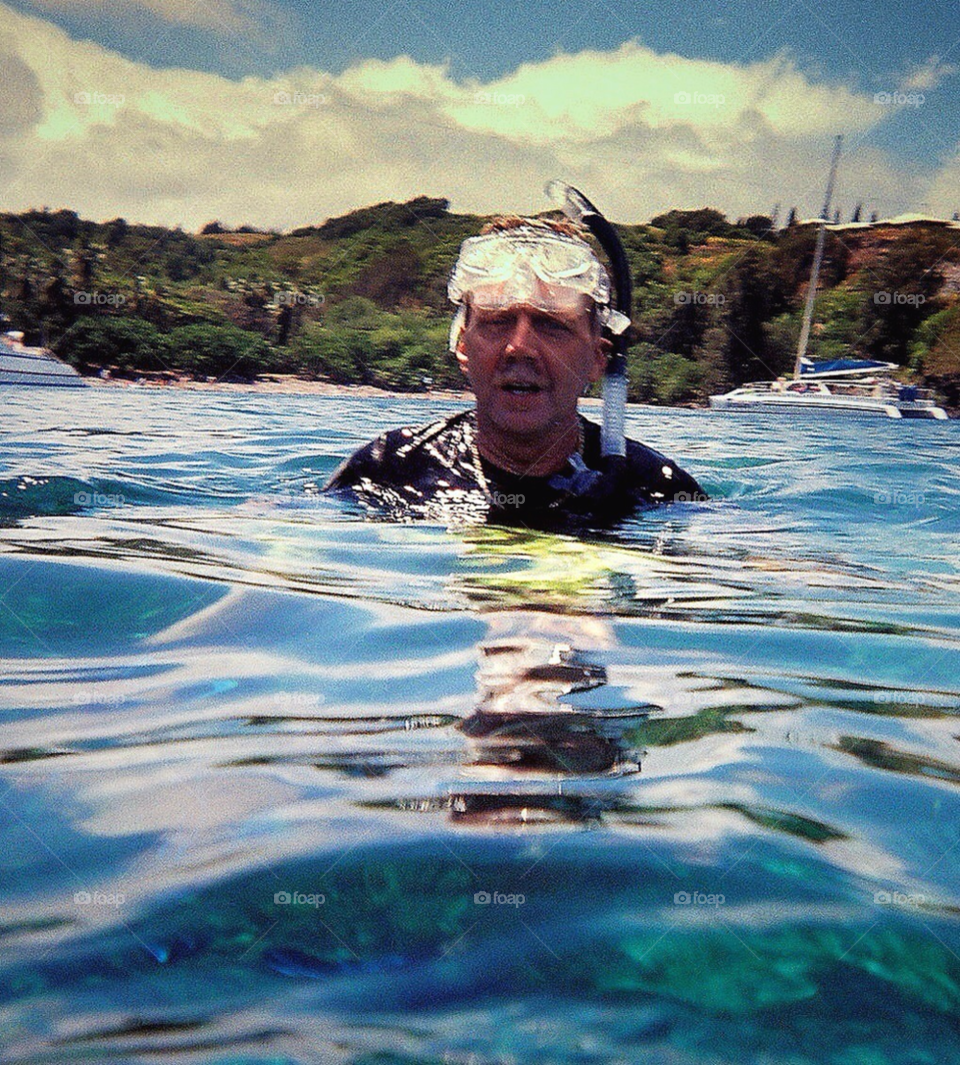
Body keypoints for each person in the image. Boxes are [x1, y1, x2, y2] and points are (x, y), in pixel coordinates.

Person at [324, 216, 706, 528]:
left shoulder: (659, 491)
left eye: (552, 325)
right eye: (497, 321)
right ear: (463, 347)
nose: (519, 347)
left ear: (598, 358)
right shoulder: (388, 470)